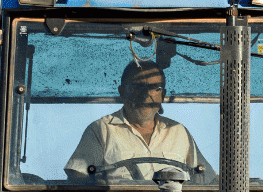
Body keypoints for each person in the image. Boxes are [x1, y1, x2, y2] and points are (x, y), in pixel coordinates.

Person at [64, 60, 212, 181]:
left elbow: (208, 179)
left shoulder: (178, 132)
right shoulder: (101, 130)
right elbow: (77, 176)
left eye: (155, 88)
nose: (146, 95)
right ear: (122, 92)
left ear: (163, 95)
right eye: (138, 87)